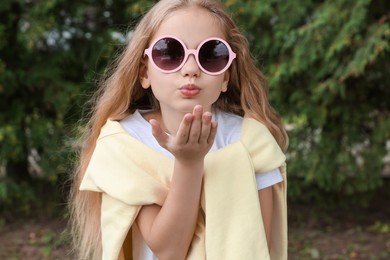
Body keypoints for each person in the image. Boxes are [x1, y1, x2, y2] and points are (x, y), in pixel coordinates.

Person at [69, 0, 289, 259]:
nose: (191, 70)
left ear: (226, 77)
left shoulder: (252, 143)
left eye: (211, 55)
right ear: (144, 72)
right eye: (170, 53)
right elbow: (169, 250)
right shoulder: (125, 143)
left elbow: (254, 247)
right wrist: (189, 163)